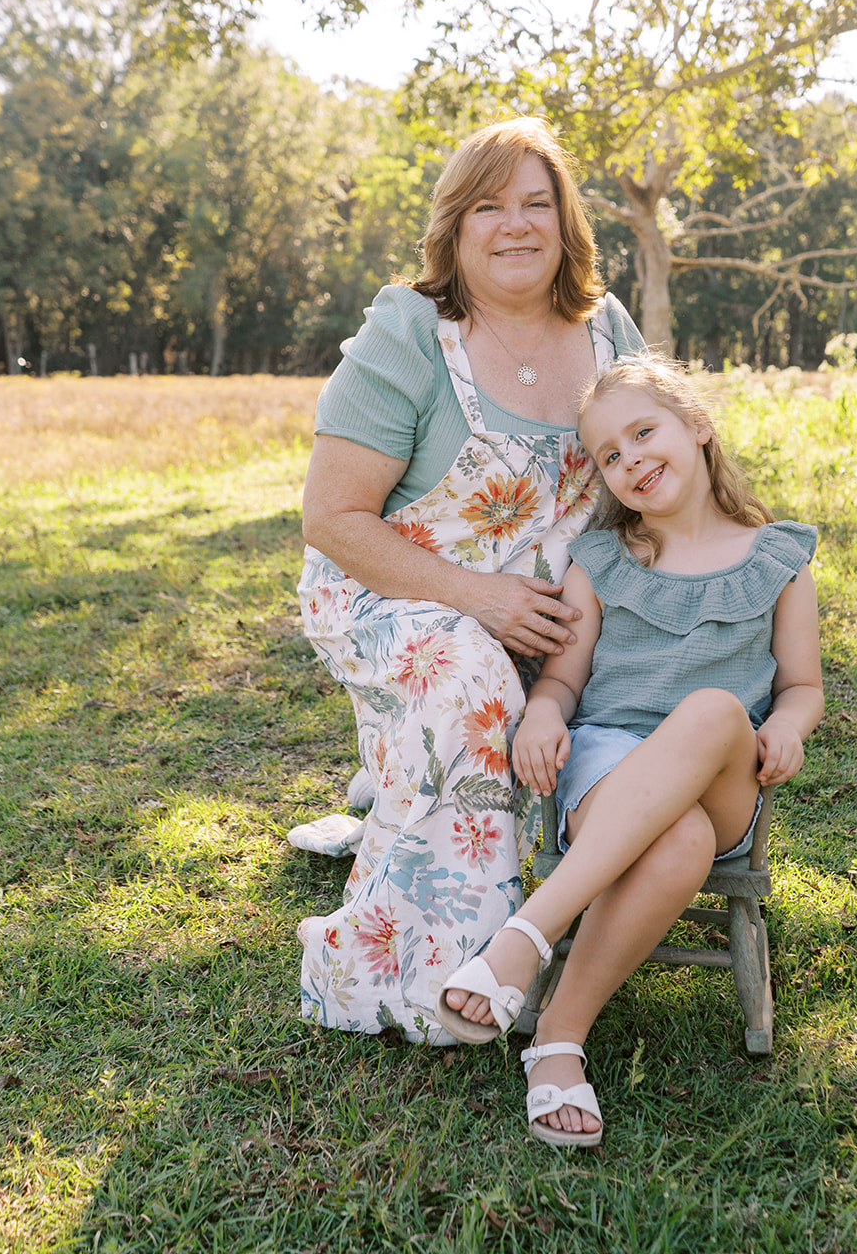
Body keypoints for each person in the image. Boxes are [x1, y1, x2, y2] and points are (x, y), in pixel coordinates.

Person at [296, 116, 645, 1042]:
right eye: (488, 207)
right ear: (453, 229)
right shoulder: (408, 333)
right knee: (471, 681)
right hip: (393, 594)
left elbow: (662, 464)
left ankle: (416, 793)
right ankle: (433, 977)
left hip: (563, 610)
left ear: (568, 224)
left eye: (538, 203)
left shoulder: (608, 331)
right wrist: (478, 597)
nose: (516, 225)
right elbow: (332, 520)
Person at [437, 356, 823, 1147]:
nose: (630, 459)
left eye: (644, 432)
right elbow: (566, 679)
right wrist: (544, 712)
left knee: (714, 709)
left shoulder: (778, 559)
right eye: (609, 455)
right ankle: (557, 1042)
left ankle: (525, 937)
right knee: (675, 838)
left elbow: (802, 687)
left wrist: (787, 726)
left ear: (698, 427)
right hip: (608, 765)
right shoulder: (601, 562)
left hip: (724, 774)